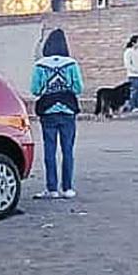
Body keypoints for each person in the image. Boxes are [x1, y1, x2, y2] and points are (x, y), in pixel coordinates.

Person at [30, 29, 84, 200]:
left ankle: (51, 188)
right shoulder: (72, 64)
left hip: (48, 111)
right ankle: (67, 188)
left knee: (49, 150)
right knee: (67, 150)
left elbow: (35, 90)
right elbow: (78, 88)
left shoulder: (40, 65)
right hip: (68, 110)